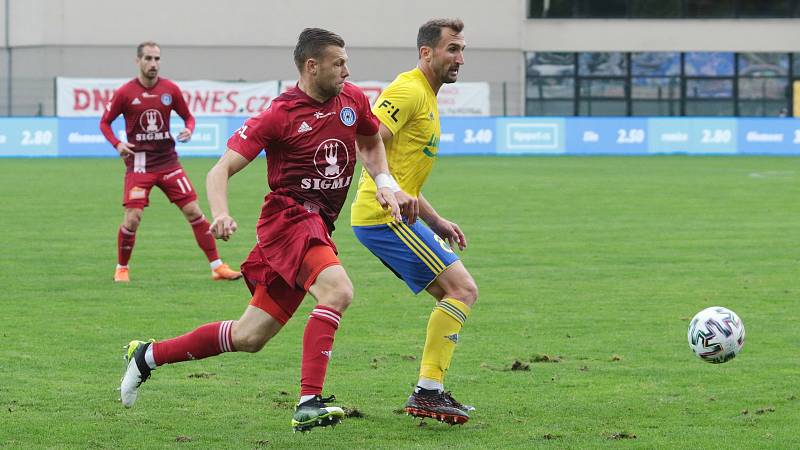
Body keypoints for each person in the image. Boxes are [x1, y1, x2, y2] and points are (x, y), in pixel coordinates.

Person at [119, 28, 415, 432]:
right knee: (338, 290)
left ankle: (148, 356)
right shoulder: (279, 113)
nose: (348, 69)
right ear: (312, 66)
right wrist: (220, 214)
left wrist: (385, 184)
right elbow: (219, 169)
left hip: (317, 225)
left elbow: (370, 141)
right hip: (288, 220)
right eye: (339, 63)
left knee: (249, 336)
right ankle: (309, 402)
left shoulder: (353, 99)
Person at [350, 18, 478, 425]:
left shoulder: (426, 94)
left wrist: (436, 219)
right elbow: (367, 142)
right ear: (427, 52)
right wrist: (388, 191)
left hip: (394, 213)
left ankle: (430, 391)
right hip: (381, 216)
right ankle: (427, 392)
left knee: (455, 292)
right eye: (452, 49)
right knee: (462, 288)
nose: (459, 58)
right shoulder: (407, 90)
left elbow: (403, 176)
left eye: (461, 49)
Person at [100, 41, 241, 283]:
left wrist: (188, 129)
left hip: (168, 162)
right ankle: (122, 268)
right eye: (148, 59)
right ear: (138, 61)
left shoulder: (170, 90)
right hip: (140, 164)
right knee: (133, 218)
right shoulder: (125, 93)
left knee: (194, 211)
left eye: (157, 59)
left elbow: (188, 117)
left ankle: (217, 267)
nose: (153, 63)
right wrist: (118, 144)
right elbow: (105, 123)